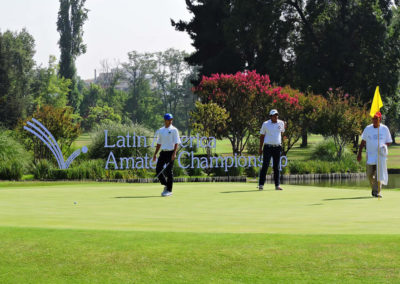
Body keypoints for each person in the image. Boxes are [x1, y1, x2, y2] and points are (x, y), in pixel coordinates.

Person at [357, 111, 392, 198]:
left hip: (380, 156)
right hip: (370, 156)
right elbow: (363, 142)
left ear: (380, 119)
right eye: (373, 119)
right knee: (369, 174)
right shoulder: (368, 129)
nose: (375, 120)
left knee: (378, 175)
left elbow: (389, 141)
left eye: (376, 118)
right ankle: (374, 188)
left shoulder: (385, 129)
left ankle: (377, 192)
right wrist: (359, 153)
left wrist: (384, 146)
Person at [152, 113, 181, 197]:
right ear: (165, 120)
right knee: (158, 170)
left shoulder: (174, 130)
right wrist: (155, 154)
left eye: (171, 120)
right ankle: (166, 185)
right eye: (169, 120)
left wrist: (174, 153)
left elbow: (176, 142)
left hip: (170, 152)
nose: (170, 121)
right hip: (163, 153)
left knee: (169, 171)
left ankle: (169, 190)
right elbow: (159, 143)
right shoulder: (161, 130)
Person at [258, 109, 285, 191]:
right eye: (274, 115)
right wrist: (260, 147)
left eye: (277, 115)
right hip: (267, 147)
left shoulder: (281, 123)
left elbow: (281, 133)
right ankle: (261, 184)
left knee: (276, 167)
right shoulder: (265, 124)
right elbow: (262, 136)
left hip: (277, 147)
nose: (276, 116)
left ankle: (277, 185)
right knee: (265, 166)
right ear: (270, 116)